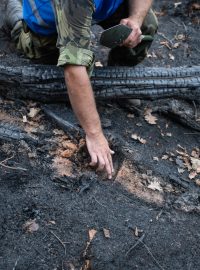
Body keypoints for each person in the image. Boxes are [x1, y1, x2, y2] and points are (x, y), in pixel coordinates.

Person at [5, 0, 158, 179]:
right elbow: (74, 68)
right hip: (48, 22)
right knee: (50, 63)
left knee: (147, 22)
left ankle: (119, 70)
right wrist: (95, 134)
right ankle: (15, 15)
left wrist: (135, 19)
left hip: (92, 9)